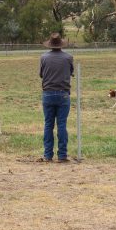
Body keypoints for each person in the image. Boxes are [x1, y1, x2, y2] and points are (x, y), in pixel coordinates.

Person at [38, 32, 73, 163]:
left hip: (47, 93)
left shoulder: (43, 57)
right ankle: (62, 155)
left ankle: (48, 155)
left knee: (48, 124)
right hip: (63, 94)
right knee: (62, 124)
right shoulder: (68, 57)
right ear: (61, 44)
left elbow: (41, 74)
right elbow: (71, 72)